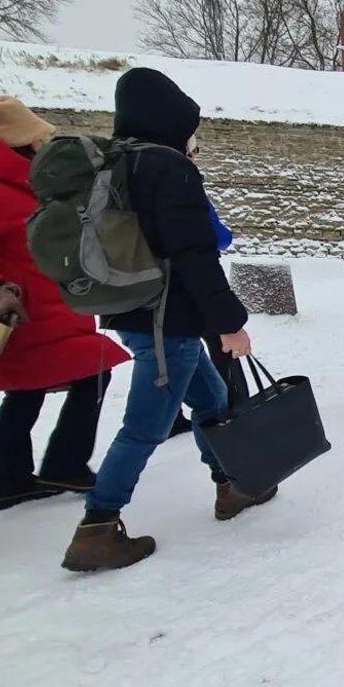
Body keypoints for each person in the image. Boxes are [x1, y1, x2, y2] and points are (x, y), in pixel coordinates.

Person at [61, 69, 260, 572]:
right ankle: (98, 527)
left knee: (212, 400)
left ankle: (229, 486)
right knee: (145, 427)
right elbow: (194, 253)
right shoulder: (168, 168)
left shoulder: (118, 161)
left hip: (136, 308)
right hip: (163, 317)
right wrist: (229, 321)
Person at [0, 96, 131, 513]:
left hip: (46, 313)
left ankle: (11, 480)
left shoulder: (17, 182)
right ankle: (63, 464)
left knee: (31, 391)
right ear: (15, 143)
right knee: (93, 370)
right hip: (25, 315)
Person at [170, 135, 248, 437]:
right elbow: (218, 235)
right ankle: (232, 405)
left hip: (158, 292)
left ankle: (172, 414)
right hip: (196, 285)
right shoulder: (185, 186)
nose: (196, 155)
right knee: (221, 344)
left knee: (169, 355)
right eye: (194, 150)